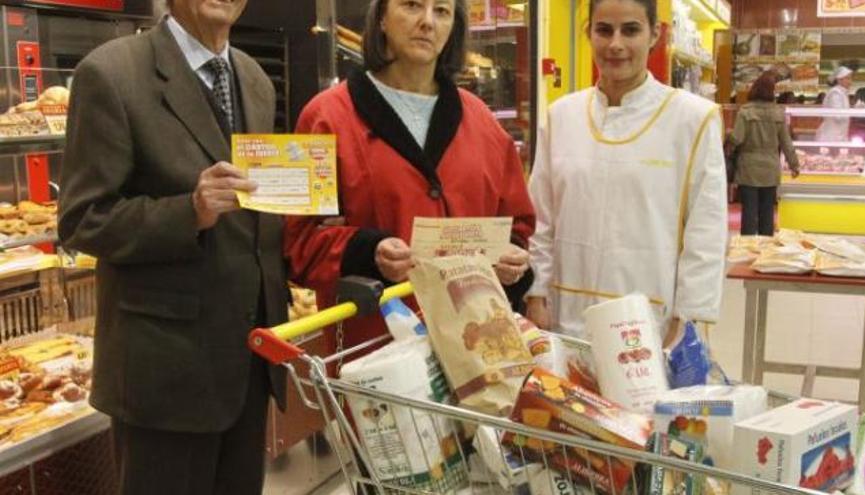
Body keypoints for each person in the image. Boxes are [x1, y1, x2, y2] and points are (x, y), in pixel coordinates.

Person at [58, 0, 288, 493]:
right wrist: (191, 211)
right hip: (165, 374)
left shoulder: (254, 79)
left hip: (248, 363)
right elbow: (81, 220)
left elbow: (253, 211)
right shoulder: (112, 73)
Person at [285, 0, 535, 356]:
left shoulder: (481, 121)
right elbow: (299, 242)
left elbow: (516, 225)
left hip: (477, 345)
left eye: (442, 11)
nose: (427, 22)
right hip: (374, 351)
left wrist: (512, 260)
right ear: (382, 17)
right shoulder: (325, 118)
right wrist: (368, 251)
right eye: (412, 5)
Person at [525, 0, 726, 342]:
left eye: (630, 30)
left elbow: (706, 232)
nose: (615, 44)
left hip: (651, 321)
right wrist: (536, 292)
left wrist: (686, 318)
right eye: (604, 30)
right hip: (565, 314)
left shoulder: (692, 119)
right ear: (589, 34)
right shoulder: (562, 116)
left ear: (655, 35)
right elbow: (541, 217)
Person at [729, 72, 800, 236]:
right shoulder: (779, 114)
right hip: (770, 167)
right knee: (767, 211)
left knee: (749, 212)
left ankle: (747, 248)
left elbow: (737, 139)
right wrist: (794, 164)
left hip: (749, 167)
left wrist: (727, 140)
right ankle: (766, 247)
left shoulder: (745, 112)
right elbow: (786, 142)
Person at [815, 65, 854, 142]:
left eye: (850, 78)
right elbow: (838, 115)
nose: (850, 82)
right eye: (848, 78)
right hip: (831, 137)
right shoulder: (835, 93)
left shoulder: (842, 93)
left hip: (839, 136)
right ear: (839, 80)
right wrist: (853, 112)